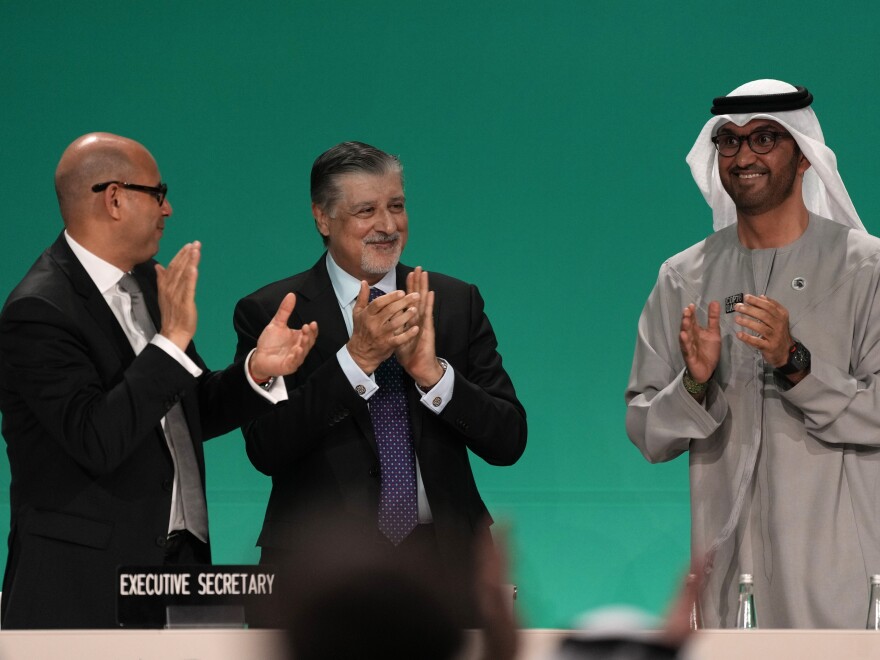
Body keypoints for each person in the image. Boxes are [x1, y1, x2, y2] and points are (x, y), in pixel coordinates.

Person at [0, 132, 317, 629]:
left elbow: (181, 413)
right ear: (115, 198)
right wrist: (170, 341)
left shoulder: (148, 282)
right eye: (158, 193)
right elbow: (97, 439)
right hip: (84, 588)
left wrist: (256, 371)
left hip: (180, 573)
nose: (168, 210)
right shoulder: (38, 310)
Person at [232, 141, 526, 622]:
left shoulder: (452, 302)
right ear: (323, 219)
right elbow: (266, 446)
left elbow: (509, 440)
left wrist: (433, 376)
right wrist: (357, 360)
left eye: (397, 206)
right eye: (367, 210)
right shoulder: (273, 313)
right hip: (321, 569)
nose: (388, 226)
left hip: (445, 567)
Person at [625, 79, 880, 628]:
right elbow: (647, 430)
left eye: (765, 139)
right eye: (729, 142)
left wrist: (795, 361)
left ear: (804, 155)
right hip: (726, 568)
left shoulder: (867, 269)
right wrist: (694, 384)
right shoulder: (684, 277)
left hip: (841, 568)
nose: (744, 156)